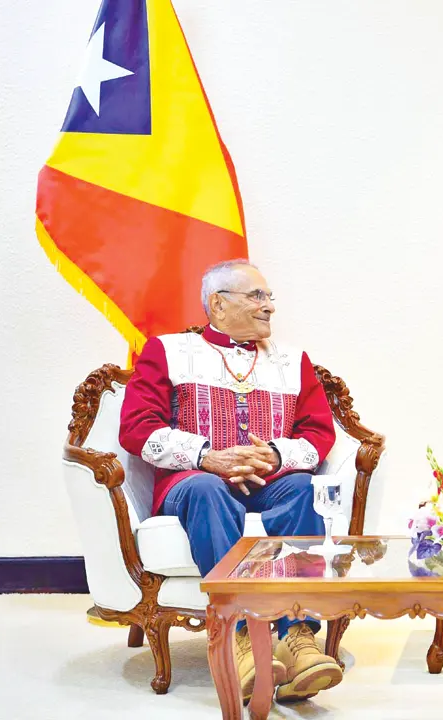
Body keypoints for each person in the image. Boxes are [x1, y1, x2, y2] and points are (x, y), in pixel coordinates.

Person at [119, 259, 342, 703]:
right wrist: (207, 456)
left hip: (270, 482)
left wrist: (274, 455)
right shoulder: (166, 351)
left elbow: (319, 432)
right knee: (208, 489)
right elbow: (137, 427)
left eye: (269, 297)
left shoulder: (293, 361)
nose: (269, 307)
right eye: (257, 296)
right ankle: (240, 636)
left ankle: (297, 634)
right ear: (217, 304)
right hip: (193, 483)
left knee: (302, 489)